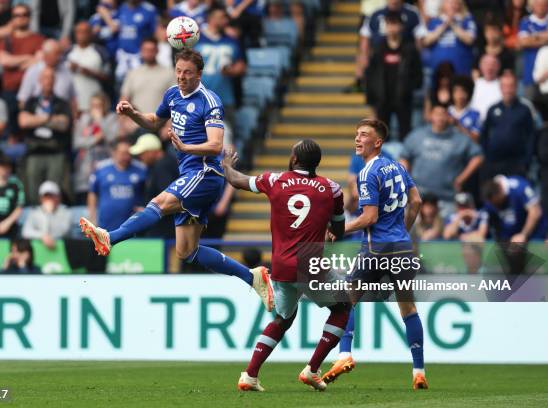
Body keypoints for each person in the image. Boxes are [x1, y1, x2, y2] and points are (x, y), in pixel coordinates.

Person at [79, 48, 273, 311]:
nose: (182, 77)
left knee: (158, 203)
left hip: (205, 173)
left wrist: (185, 148)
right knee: (187, 251)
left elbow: (216, 146)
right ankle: (253, 277)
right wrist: (132, 113)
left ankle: (110, 237)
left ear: (199, 74)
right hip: (189, 174)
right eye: (178, 71)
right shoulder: (172, 94)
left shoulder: (209, 100)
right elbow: (154, 122)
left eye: (188, 73)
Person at [221, 140, 349, 391]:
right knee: (342, 308)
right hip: (311, 264)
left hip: (280, 266)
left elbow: (237, 180)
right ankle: (312, 370)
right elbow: (340, 229)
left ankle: (250, 374)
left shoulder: (274, 180)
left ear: (294, 159)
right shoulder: (332, 189)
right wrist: (330, 231)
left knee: (283, 317)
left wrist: (226, 165)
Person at [323, 119, 428, 390]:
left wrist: (340, 228)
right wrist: (403, 231)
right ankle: (418, 371)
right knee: (408, 309)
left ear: (377, 142)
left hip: (376, 248)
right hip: (402, 248)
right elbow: (416, 201)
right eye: (356, 134)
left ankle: (344, 355)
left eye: (364, 135)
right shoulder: (399, 168)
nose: (357, 139)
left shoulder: (368, 173)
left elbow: (369, 217)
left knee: (346, 300)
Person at [401, 103, 484, 217]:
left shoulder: (460, 138)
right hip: (418, 198)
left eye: (444, 114)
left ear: (449, 117)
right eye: (437, 114)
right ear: (431, 116)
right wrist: (406, 179)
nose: (440, 117)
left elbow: (478, 157)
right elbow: (404, 157)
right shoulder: (417, 135)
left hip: (447, 199)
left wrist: (461, 179)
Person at [365, 10, 422, 140]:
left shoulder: (409, 49)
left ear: (401, 26)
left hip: (403, 100)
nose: (392, 28)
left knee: (405, 134)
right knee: (383, 136)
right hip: (383, 99)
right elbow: (370, 76)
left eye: (395, 24)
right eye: (389, 24)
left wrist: (409, 88)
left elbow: (418, 74)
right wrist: (371, 102)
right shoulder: (378, 49)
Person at [19, 67, 72, 204]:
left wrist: (37, 119)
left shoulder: (62, 103)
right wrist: (50, 119)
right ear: (40, 80)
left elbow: (64, 124)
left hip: (56, 152)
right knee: (32, 190)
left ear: (54, 81)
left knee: (55, 189)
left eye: (51, 78)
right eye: (45, 78)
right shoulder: (31, 102)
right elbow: (23, 122)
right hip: (34, 152)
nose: (48, 81)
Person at [195, 5, 246, 130]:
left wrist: (232, 70)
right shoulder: (196, 40)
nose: (226, 21)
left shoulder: (231, 40)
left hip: (224, 98)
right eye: (222, 17)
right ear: (211, 19)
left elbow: (241, 64)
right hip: (199, 98)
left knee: (227, 139)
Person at [0, 3, 45, 131]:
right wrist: (29, 57)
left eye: (24, 15)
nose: (21, 18)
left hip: (32, 93)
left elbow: (40, 60)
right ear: (12, 18)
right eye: (17, 15)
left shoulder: (39, 39)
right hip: (10, 91)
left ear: (29, 17)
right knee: (10, 131)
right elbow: (4, 61)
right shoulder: (6, 40)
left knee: (31, 130)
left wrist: (14, 61)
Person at [480, 72, 535, 182]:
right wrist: (487, 156)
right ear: (500, 88)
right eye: (505, 86)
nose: (508, 90)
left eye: (511, 86)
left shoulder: (524, 109)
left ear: (516, 87)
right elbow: (484, 135)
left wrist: (526, 160)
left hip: (517, 162)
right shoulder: (492, 109)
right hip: (494, 162)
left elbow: (531, 136)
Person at [88, 139, 147, 232]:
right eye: (123, 153)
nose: (126, 157)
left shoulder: (141, 169)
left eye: (128, 153)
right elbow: (92, 193)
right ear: (114, 153)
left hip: (132, 224)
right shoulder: (101, 168)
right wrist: (92, 217)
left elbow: (147, 192)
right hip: (105, 225)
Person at [120, 37, 174, 135]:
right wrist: (124, 123)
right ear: (141, 51)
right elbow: (124, 100)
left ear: (157, 51)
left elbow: (176, 101)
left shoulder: (169, 73)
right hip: (136, 126)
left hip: (160, 126)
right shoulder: (133, 73)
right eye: (145, 50)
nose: (148, 53)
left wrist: (169, 126)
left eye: (151, 50)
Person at [129, 132, 178, 238]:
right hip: (163, 225)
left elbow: (168, 197)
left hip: (165, 229)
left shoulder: (162, 166)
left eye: (142, 153)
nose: (140, 157)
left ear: (152, 152)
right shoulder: (158, 165)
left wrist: (147, 210)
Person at [73, 92, 119, 204]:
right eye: (93, 106)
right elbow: (77, 142)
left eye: (98, 106)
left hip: (106, 164)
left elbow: (112, 138)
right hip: (86, 168)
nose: (95, 109)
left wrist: (100, 121)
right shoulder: (84, 120)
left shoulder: (111, 119)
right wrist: (94, 139)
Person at [16, 39, 76, 109]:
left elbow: (73, 98)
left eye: (60, 54)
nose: (59, 57)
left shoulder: (66, 71)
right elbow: (22, 99)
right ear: (46, 55)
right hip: (36, 114)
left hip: (60, 114)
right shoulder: (33, 71)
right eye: (56, 54)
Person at [421, 0, 476, 75]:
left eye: (455, 3)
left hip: (460, 67)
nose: (452, 5)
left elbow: (470, 40)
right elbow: (426, 41)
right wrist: (444, 25)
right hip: (437, 68)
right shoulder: (435, 21)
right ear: (443, 4)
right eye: (449, 2)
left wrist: (453, 24)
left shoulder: (466, 19)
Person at [66, 21, 110, 113]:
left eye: (85, 32)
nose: (81, 35)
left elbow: (108, 76)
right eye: (79, 32)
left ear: (91, 33)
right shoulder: (68, 51)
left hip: (93, 101)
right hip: (71, 103)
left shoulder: (100, 51)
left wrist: (88, 72)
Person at [113, 0, 159, 83]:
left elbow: (156, 34)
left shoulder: (149, 10)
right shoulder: (122, 8)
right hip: (122, 56)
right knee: (120, 88)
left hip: (139, 57)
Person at [443, 192, 488, 273]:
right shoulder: (453, 218)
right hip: (458, 259)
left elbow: (481, 235)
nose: (464, 209)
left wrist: (462, 237)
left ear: (471, 205)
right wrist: (459, 217)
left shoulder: (481, 215)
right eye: (461, 206)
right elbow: (447, 235)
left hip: (477, 256)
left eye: (466, 206)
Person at [22, 180, 71, 249]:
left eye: (52, 196)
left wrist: (49, 214)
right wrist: (42, 236)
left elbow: (63, 232)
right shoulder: (34, 212)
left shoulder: (66, 212)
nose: (49, 199)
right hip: (38, 249)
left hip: (62, 249)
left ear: (58, 197)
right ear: (40, 198)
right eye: (46, 196)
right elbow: (26, 231)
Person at [518, 0, 548, 96]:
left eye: (544, 5)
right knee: (531, 104)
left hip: (546, 73)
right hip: (530, 72)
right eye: (538, 4)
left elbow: (528, 40)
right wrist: (544, 38)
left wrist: (534, 37)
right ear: (533, 6)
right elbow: (523, 42)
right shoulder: (526, 21)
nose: (541, 7)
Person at [448, 75, 481, 142]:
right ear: (452, 93)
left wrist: (458, 125)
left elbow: (476, 139)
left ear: (469, 93)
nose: (460, 94)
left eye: (463, 91)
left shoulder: (475, 114)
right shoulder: (445, 112)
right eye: (456, 91)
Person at [470, 54, 502, 120]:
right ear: (480, 66)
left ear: (498, 67)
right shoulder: (473, 84)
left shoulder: (503, 85)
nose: (490, 67)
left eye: (493, 64)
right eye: (486, 64)